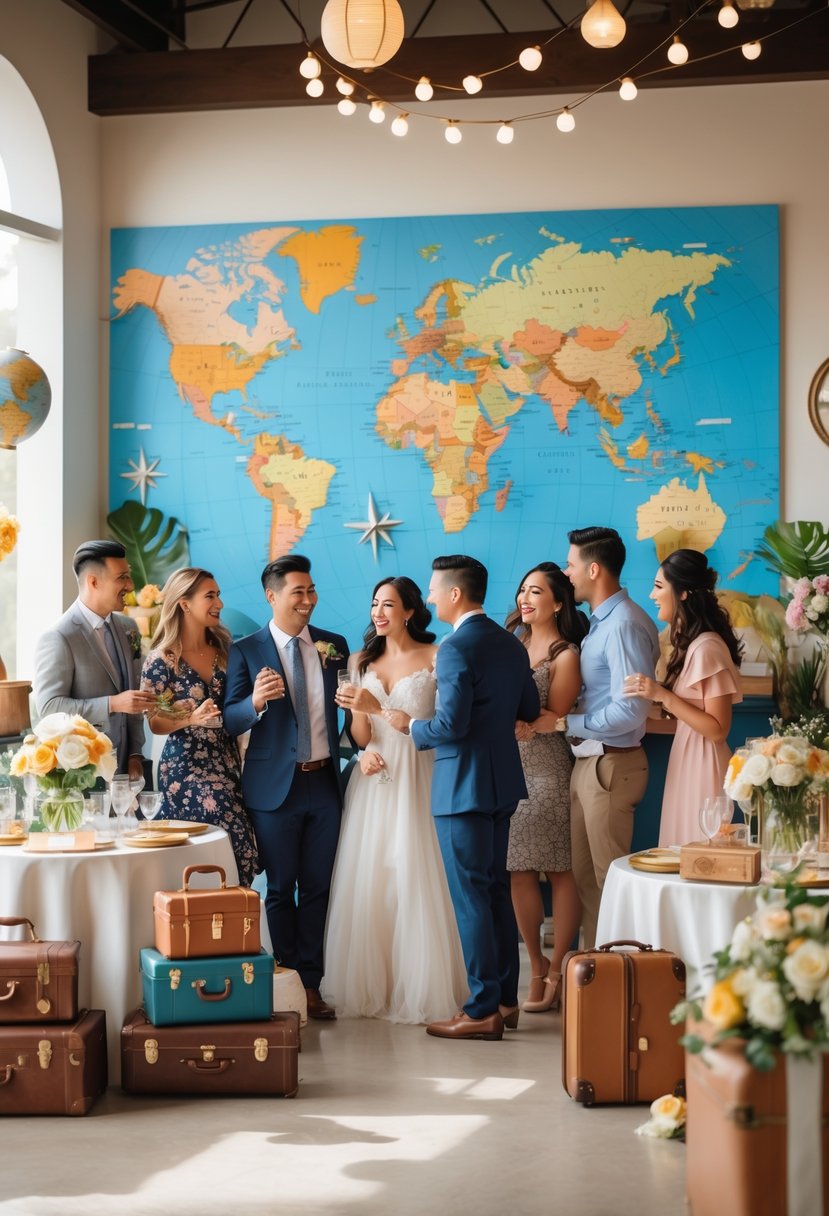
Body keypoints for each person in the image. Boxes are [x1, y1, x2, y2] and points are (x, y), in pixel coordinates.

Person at [385, 555, 540, 1041]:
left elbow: (449, 725)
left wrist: (411, 726)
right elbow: (530, 709)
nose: (429, 597)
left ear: (455, 594)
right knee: (493, 891)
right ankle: (506, 1000)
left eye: (434, 589)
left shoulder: (454, 649)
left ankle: (479, 1011)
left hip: (461, 789)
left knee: (472, 899)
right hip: (502, 784)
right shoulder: (513, 646)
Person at [324, 577, 468, 1022]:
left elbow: (445, 725)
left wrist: (372, 705)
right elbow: (361, 734)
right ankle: (376, 985)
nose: (379, 612)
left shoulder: (437, 655)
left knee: (415, 873)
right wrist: (364, 750)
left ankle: (422, 984)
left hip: (419, 774)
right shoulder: (360, 660)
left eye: (389, 604)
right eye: (374, 604)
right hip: (375, 779)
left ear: (409, 610)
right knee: (374, 877)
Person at [223, 554, 348, 1020]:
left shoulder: (334, 646)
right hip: (274, 788)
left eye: (312, 590)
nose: (308, 600)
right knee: (279, 887)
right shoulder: (246, 649)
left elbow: (349, 708)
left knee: (318, 887)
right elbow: (228, 716)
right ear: (272, 596)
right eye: (298, 592)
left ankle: (311, 985)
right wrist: (253, 701)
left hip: (325, 783)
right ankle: (286, 977)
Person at [561, 527, 660, 950]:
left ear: (594, 568)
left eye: (571, 564)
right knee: (588, 882)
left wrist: (567, 724)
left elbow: (631, 709)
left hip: (612, 764)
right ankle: (595, 983)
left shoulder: (622, 625)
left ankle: (622, 985)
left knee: (610, 881)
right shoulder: (600, 623)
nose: (567, 573)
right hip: (591, 762)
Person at [140, 567, 259, 886]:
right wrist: (191, 718)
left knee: (245, 850)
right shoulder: (161, 660)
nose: (219, 602)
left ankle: (233, 919)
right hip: (185, 768)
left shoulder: (226, 651)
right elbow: (155, 722)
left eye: (219, 594)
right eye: (210, 595)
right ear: (185, 603)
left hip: (227, 762)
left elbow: (239, 706)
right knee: (219, 829)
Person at [506, 562, 587, 1013]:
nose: (525, 598)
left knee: (560, 870)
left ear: (558, 602)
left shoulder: (565, 654)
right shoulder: (513, 644)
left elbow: (552, 718)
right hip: (511, 769)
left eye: (536, 592)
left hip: (549, 771)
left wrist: (524, 723)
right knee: (517, 870)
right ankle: (534, 966)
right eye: (522, 590)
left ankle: (559, 968)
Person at [622, 549, 743, 846]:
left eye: (659, 586)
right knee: (681, 851)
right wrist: (637, 726)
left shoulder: (707, 648)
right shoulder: (694, 646)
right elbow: (689, 725)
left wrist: (661, 695)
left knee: (699, 853)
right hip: (688, 763)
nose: (652, 595)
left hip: (704, 770)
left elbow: (717, 729)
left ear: (684, 593)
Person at [33, 539, 155, 779]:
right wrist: (112, 704)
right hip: (83, 775)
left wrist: (135, 755)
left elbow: (134, 698)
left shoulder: (129, 627)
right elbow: (49, 709)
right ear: (93, 582)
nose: (130, 585)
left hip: (127, 774)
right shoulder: (58, 637)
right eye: (122, 578)